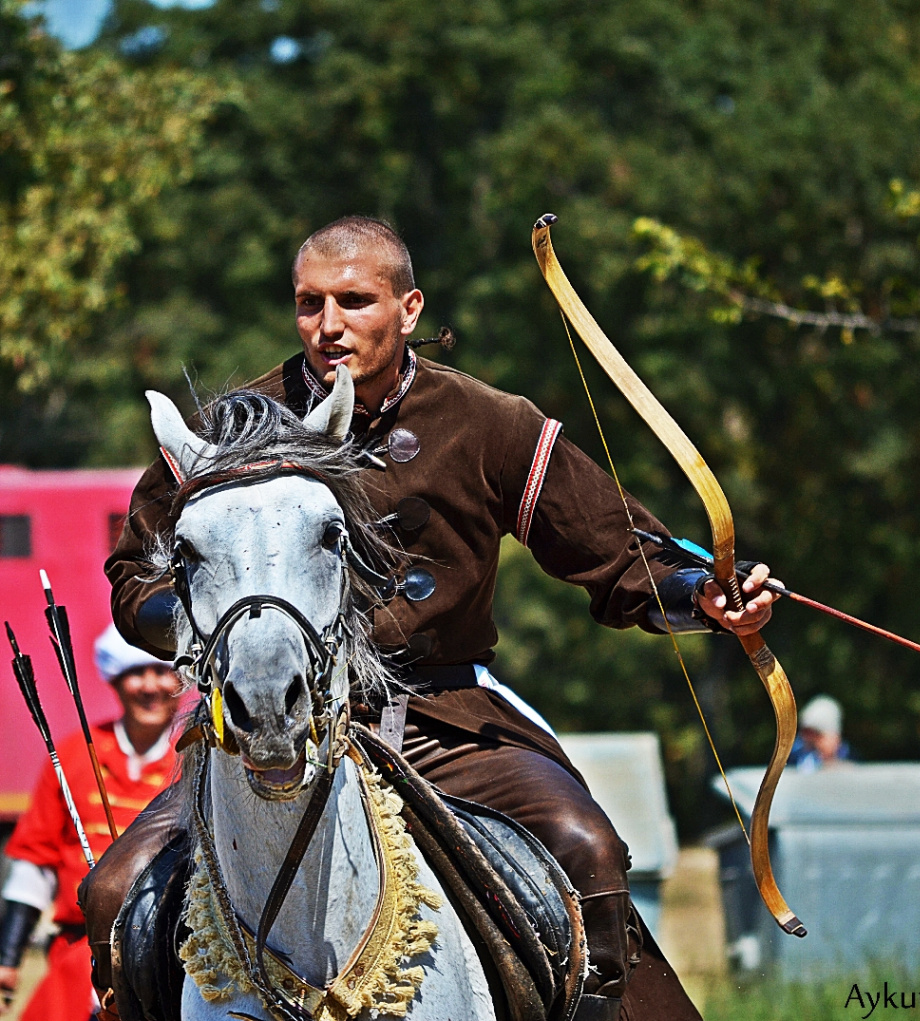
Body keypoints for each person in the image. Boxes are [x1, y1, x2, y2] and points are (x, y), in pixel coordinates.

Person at [85, 215, 780, 1021]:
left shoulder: (488, 420)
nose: (328, 325)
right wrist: (218, 636)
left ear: (408, 307)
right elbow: (136, 575)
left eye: (354, 300)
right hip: (267, 728)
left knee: (585, 847)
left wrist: (700, 592)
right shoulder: (236, 430)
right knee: (113, 890)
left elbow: (617, 553)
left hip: (444, 718)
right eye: (310, 303)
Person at [0, 625, 181, 1021]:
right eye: (136, 673)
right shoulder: (74, 756)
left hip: (164, 965)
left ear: (180, 679)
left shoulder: (194, 763)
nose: (149, 686)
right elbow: (35, 861)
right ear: (116, 680)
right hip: (75, 962)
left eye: (161, 671)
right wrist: (7, 957)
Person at [787, 694, 853, 772]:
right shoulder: (793, 757)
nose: (809, 740)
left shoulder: (849, 757)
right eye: (806, 733)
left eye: (818, 735)